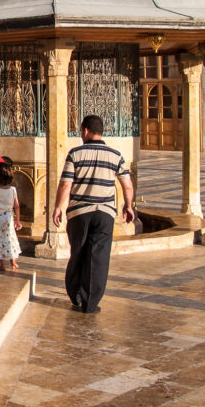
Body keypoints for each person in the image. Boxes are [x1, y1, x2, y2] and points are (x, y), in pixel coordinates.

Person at [51, 114, 135, 314]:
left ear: (86, 131)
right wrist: (129, 206)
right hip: (104, 213)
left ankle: (76, 294)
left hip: (79, 213)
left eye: (81, 131)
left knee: (78, 253)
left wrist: (58, 207)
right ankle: (91, 302)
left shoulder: (75, 154)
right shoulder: (116, 155)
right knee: (98, 257)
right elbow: (127, 185)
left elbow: (65, 184)